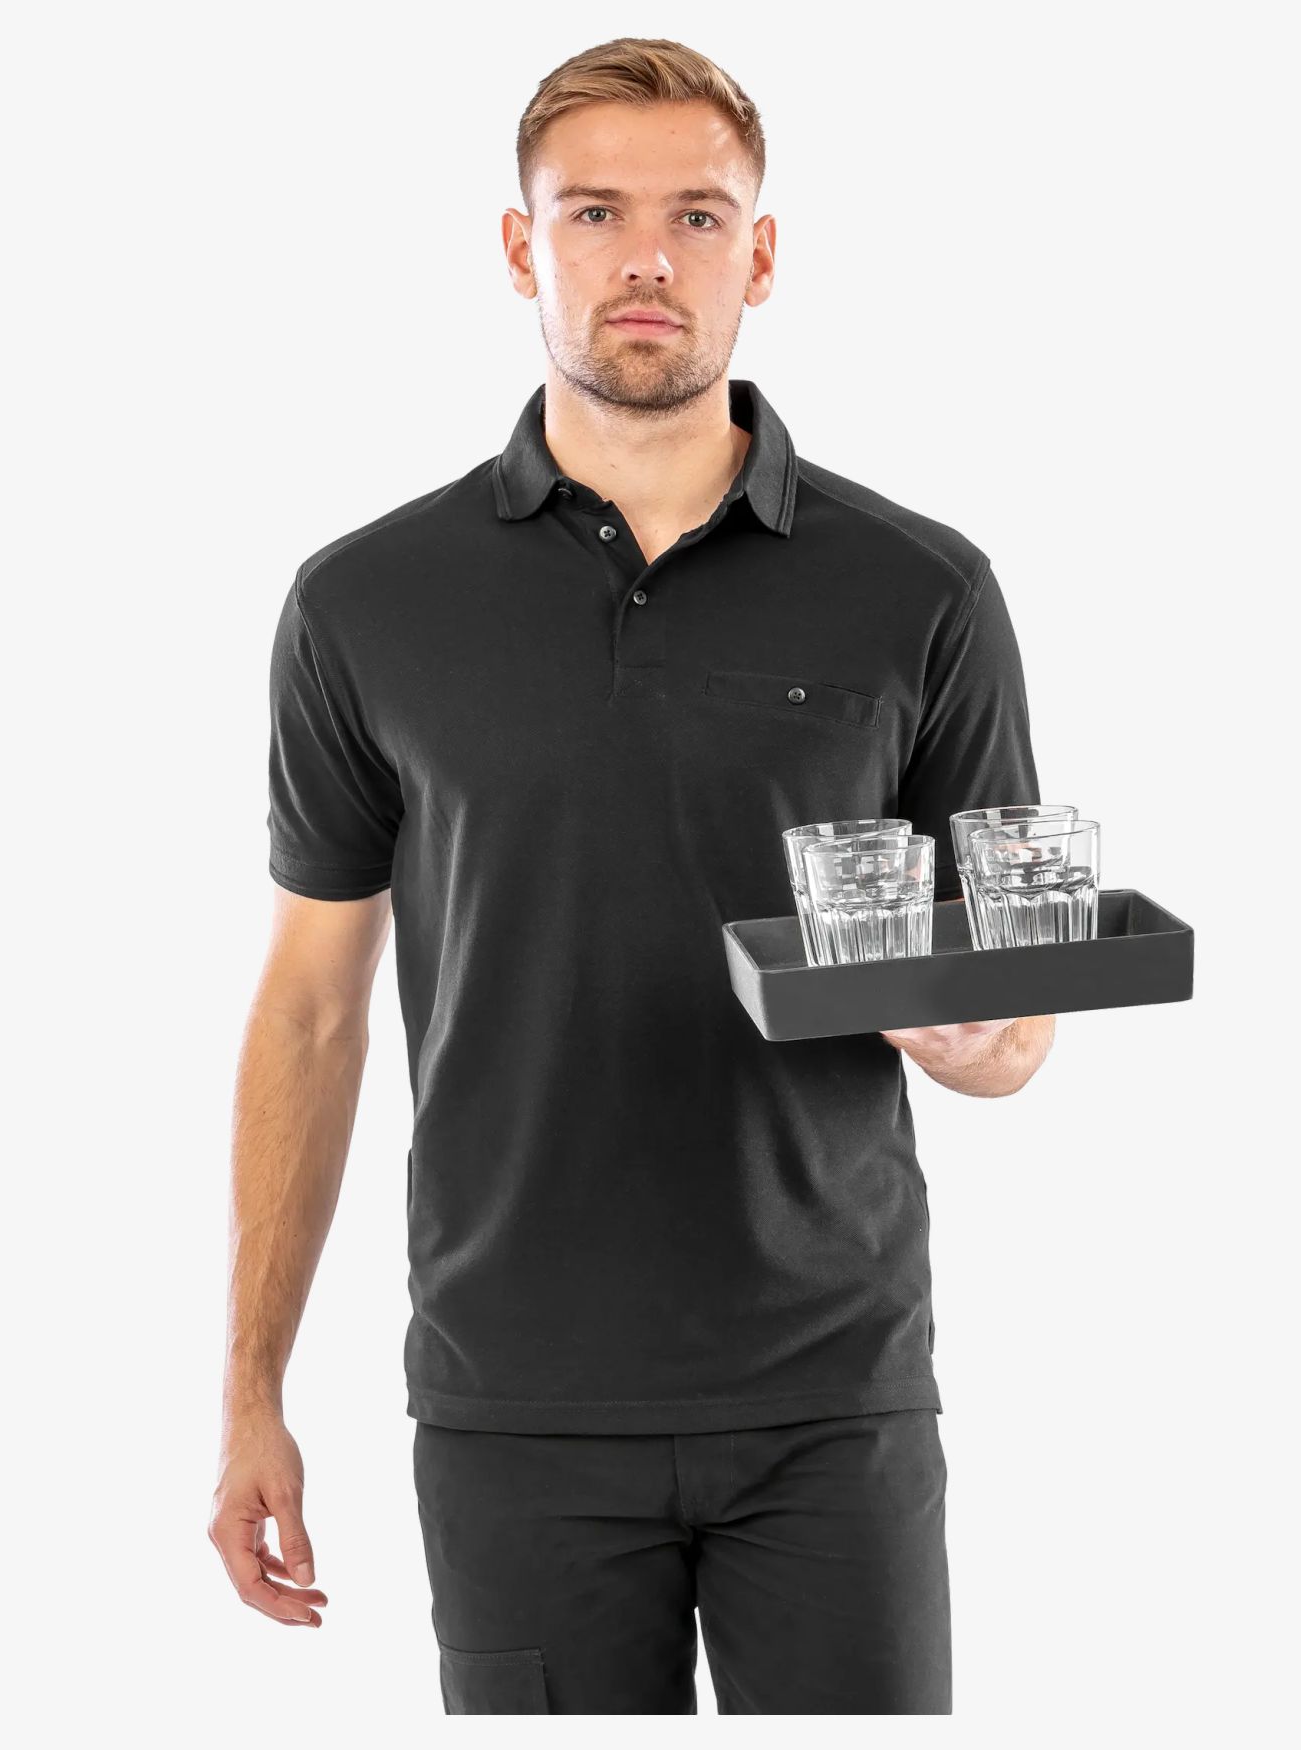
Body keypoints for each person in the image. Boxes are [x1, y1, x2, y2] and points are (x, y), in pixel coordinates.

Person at [207, 36, 1055, 1715]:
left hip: (832, 1396)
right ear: (521, 247)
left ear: (761, 253)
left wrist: (978, 1040)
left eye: (697, 215)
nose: (646, 256)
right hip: (510, 1404)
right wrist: (249, 1391)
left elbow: (1013, 1014)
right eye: (593, 212)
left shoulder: (921, 590)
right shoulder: (366, 601)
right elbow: (310, 1009)